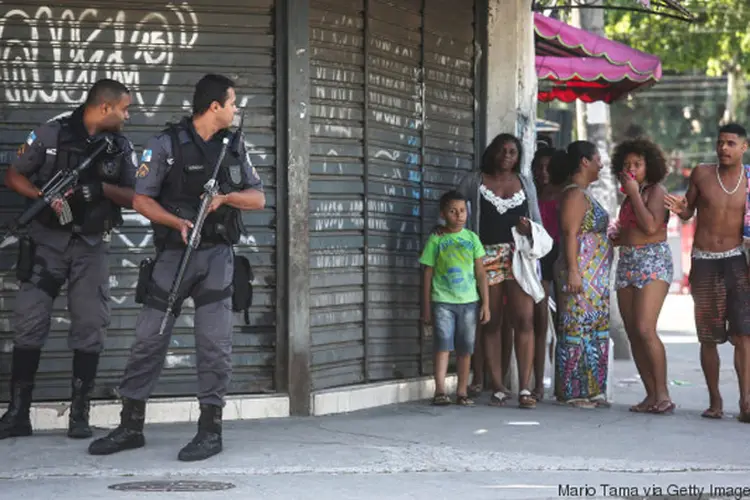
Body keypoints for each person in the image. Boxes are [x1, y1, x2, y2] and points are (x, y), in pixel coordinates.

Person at [88, 74, 266, 460]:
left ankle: (210, 430)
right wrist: (178, 223)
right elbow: (140, 200)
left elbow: (258, 198)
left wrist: (225, 198)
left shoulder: (234, 146)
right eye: (232, 103)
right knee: (148, 339)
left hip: (217, 257)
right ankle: (131, 425)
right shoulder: (165, 145)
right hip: (173, 255)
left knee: (214, 344)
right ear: (215, 107)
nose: (236, 110)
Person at [0, 79, 136, 440]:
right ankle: (17, 414)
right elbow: (13, 175)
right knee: (29, 320)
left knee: (90, 325)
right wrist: (43, 196)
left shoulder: (120, 146)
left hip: (90, 246)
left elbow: (137, 196)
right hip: (47, 243)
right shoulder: (51, 134)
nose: (128, 115)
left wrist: (102, 190)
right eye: (124, 108)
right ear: (104, 107)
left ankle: (79, 414)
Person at [664, 123, 750, 422]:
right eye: (720, 142)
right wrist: (680, 208)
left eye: (730, 143)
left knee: (744, 334)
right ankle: (715, 400)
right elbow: (689, 211)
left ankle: (746, 402)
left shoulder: (749, 180)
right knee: (708, 336)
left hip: (737, 261)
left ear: (743, 148)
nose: (724, 148)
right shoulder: (702, 173)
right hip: (704, 260)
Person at [452, 133, 543, 409]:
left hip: (518, 255)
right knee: (491, 320)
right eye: (502, 150)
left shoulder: (525, 183)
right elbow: (449, 212)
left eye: (512, 152)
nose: (507, 155)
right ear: (492, 152)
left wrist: (531, 230)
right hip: (485, 256)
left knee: (524, 319)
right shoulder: (474, 181)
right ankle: (498, 386)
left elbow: (538, 221)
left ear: (518, 157)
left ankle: (525, 387)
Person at [611, 138, 674, 414]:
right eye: (627, 165)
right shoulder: (627, 198)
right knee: (634, 332)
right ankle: (650, 394)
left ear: (650, 165)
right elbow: (629, 231)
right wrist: (616, 235)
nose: (632, 169)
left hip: (653, 261)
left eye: (637, 164)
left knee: (646, 328)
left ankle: (663, 394)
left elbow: (650, 226)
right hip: (628, 261)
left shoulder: (655, 191)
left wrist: (635, 193)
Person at [553, 141, 613, 408]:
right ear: (585, 162)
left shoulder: (585, 193)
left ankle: (591, 389)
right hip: (581, 274)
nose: (601, 164)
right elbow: (569, 234)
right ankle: (573, 391)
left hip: (595, 278)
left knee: (593, 330)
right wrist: (574, 272)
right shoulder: (574, 195)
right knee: (576, 328)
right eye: (598, 159)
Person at [420, 190, 490, 406]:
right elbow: (427, 273)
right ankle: (440, 390)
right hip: (442, 301)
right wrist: (426, 306)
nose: (459, 215)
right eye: (453, 211)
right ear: (443, 214)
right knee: (442, 345)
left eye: (462, 211)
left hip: (469, 302)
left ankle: (462, 391)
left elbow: (481, 273)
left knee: (465, 348)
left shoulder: (472, 238)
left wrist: (486, 303)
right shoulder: (436, 239)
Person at [530, 146, 561, 400]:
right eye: (539, 167)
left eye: (548, 167)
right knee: (539, 324)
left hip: (558, 257)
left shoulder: (564, 194)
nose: (543, 172)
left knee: (561, 324)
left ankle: (561, 381)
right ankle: (538, 383)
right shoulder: (530, 192)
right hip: (536, 259)